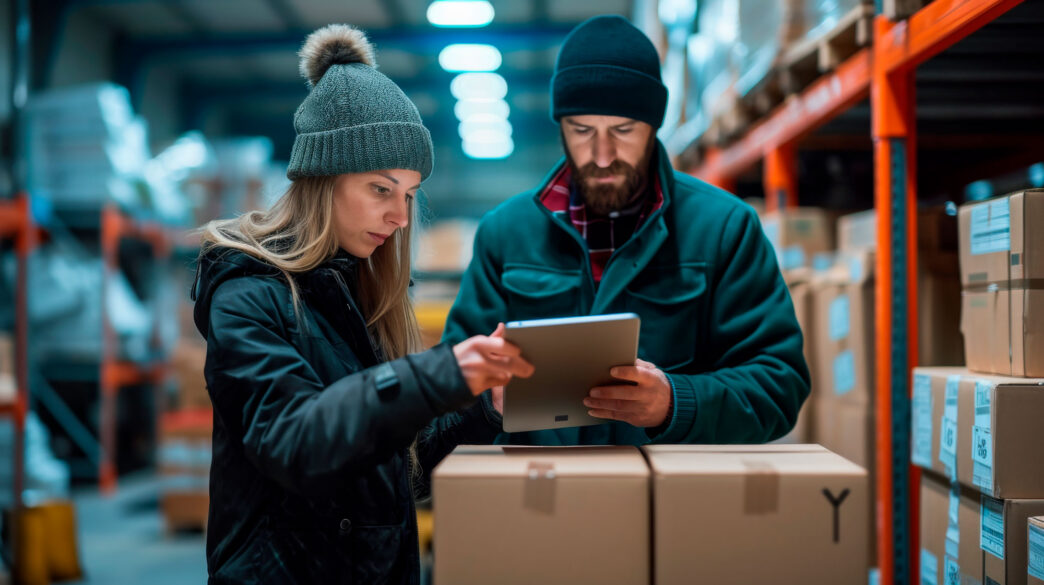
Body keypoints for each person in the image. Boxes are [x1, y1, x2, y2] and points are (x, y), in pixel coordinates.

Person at [191, 24, 533, 584]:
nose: (400, 217)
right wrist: (434, 376)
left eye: (409, 195)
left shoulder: (360, 296)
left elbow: (400, 471)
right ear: (324, 178)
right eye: (382, 188)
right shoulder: (247, 295)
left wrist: (484, 405)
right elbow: (296, 442)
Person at [441, 15, 810, 446]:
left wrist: (676, 402)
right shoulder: (505, 234)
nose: (601, 155)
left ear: (654, 127)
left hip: (668, 503)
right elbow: (448, 385)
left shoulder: (724, 229)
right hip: (541, 498)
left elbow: (778, 386)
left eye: (622, 130)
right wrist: (488, 404)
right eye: (581, 131)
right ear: (560, 126)